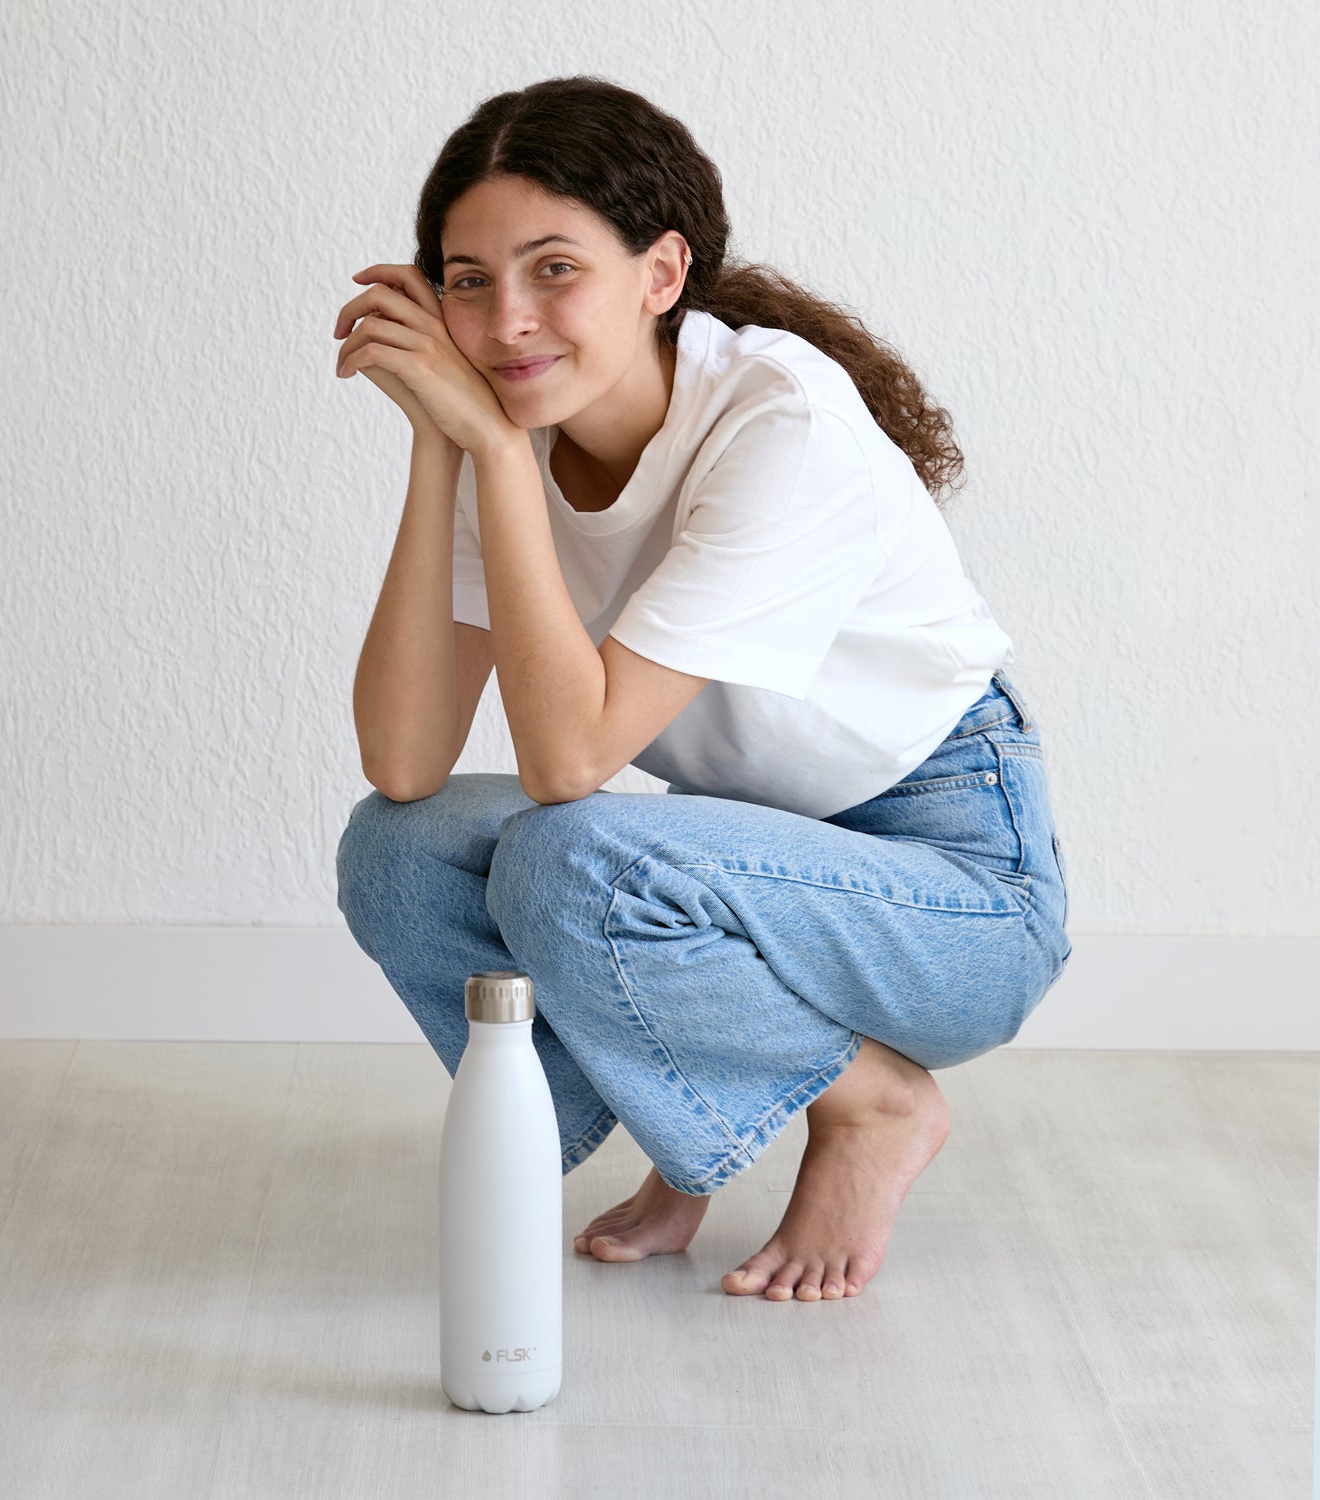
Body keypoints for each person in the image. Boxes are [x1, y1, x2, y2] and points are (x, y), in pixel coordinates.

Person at [333, 75, 1071, 1304]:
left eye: (554, 267)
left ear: (661, 274)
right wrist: (440, 443)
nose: (508, 319)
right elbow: (405, 763)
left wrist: (494, 455)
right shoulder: (511, 434)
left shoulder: (779, 421)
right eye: (469, 280)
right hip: (739, 864)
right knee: (397, 853)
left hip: (955, 893)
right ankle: (693, 1123)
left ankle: (873, 1106)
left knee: (574, 853)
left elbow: (570, 769)